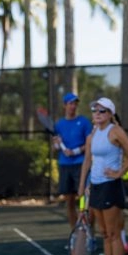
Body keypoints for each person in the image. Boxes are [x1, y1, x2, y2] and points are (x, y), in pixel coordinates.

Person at [78, 97, 128, 255]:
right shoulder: (92, 135)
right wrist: (82, 185)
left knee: (114, 233)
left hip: (111, 186)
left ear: (111, 114)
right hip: (96, 187)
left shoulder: (116, 131)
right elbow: (87, 161)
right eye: (95, 110)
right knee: (104, 233)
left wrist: (120, 173)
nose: (97, 113)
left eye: (102, 111)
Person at [53, 93, 93, 235]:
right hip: (65, 166)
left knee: (86, 202)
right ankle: (75, 236)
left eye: (75, 103)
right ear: (65, 105)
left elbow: (90, 143)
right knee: (69, 202)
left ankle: (88, 234)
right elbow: (55, 147)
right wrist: (57, 145)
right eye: (70, 103)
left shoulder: (84, 122)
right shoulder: (58, 125)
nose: (73, 106)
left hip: (81, 165)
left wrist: (76, 151)